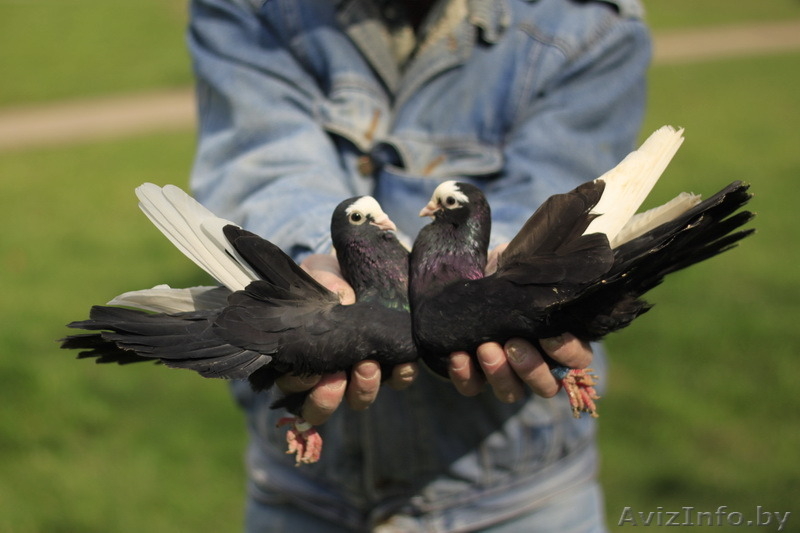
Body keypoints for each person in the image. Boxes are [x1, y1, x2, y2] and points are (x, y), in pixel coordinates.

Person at [187, 0, 650, 531]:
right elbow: (265, 161)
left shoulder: (590, 23)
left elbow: (558, 194)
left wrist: (492, 280)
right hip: (304, 494)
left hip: (517, 498)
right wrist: (320, 270)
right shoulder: (254, 7)